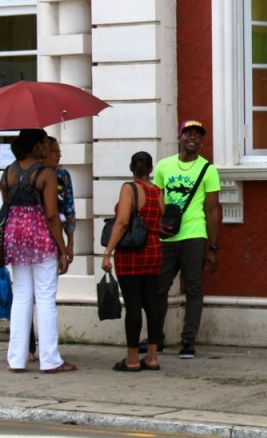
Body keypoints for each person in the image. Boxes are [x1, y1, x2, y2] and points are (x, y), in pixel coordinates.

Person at [2, 128, 75, 374]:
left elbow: (7, 206)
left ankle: (16, 359)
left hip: (15, 237)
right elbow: (52, 215)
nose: (48, 146)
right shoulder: (46, 174)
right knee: (45, 298)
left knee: (21, 297)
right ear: (37, 146)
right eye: (45, 142)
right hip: (41, 237)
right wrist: (63, 249)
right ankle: (50, 359)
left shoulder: (9, 171)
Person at [150, 119, 221, 359]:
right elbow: (157, 197)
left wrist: (212, 246)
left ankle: (188, 341)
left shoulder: (207, 169)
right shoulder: (163, 166)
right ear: (180, 137)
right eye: (188, 133)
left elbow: (212, 209)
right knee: (158, 288)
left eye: (197, 135)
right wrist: (158, 225)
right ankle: (155, 339)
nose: (193, 138)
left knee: (193, 288)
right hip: (167, 237)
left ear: (202, 141)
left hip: (194, 235)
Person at [103, 151, 164, 372]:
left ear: (131, 167)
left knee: (133, 305)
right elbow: (160, 219)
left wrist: (108, 251)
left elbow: (122, 222)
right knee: (152, 304)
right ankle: (152, 356)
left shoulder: (129, 188)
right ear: (150, 168)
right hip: (154, 251)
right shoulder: (158, 191)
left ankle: (131, 358)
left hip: (131, 254)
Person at [45, 136, 76, 263]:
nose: (58, 155)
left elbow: (69, 208)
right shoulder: (32, 175)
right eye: (54, 151)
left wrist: (70, 243)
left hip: (56, 233)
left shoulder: (63, 175)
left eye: (59, 151)